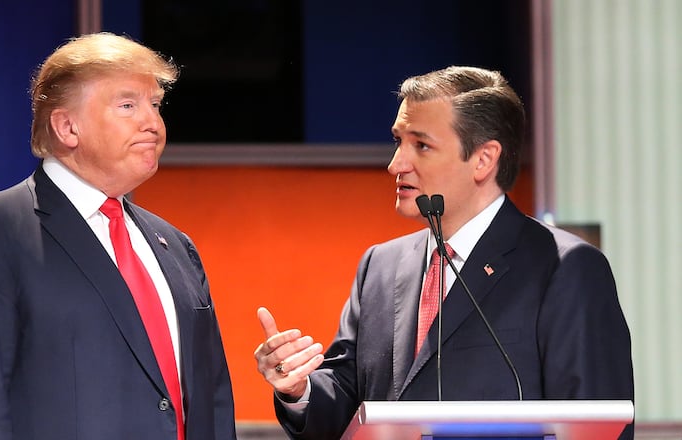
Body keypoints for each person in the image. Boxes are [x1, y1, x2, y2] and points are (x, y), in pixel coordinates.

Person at [254, 66, 634, 440]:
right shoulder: (380, 266)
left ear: (484, 159)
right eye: (397, 142)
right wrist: (298, 390)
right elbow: (344, 407)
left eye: (421, 145)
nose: (396, 165)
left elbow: (597, 425)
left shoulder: (563, 268)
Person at [0, 33, 236, 440]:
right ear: (67, 126)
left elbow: (211, 400)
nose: (153, 123)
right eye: (128, 105)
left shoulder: (176, 246)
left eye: (155, 105)